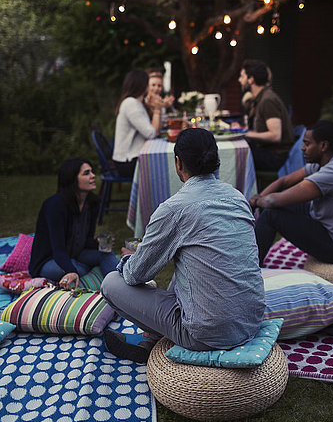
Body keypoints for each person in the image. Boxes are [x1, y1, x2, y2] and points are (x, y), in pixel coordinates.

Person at [101, 128, 265, 363]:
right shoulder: (238, 198)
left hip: (206, 334)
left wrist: (130, 258)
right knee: (192, 262)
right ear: (216, 161)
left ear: (178, 163)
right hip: (250, 322)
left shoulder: (174, 209)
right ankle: (154, 336)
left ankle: (155, 338)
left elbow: (136, 275)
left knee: (111, 283)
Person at [251, 120, 333, 267]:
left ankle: (249, 269)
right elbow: (284, 181)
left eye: (307, 143)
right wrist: (258, 199)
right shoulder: (331, 162)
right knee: (280, 206)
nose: (302, 148)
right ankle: (252, 258)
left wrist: (254, 202)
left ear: (323, 146)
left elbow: (274, 201)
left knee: (271, 215)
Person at [29, 158, 118, 289]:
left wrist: (98, 243)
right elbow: (58, 250)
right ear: (72, 179)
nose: (93, 176)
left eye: (92, 172)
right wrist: (71, 270)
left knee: (106, 252)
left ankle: (119, 286)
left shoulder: (92, 203)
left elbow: (86, 240)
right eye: (86, 173)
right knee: (79, 270)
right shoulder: (55, 206)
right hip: (50, 259)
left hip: (77, 252)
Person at [238, 59, 294, 171]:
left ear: (251, 79)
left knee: (237, 157)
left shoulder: (268, 100)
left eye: (242, 76)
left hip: (275, 156)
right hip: (266, 150)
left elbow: (275, 135)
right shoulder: (259, 98)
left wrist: (244, 133)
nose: (239, 80)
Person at [112, 69, 164, 177]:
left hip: (131, 158)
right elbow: (151, 133)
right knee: (163, 163)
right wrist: (157, 109)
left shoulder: (136, 103)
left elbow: (155, 130)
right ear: (143, 85)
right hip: (127, 161)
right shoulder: (131, 104)